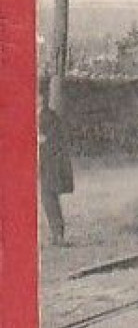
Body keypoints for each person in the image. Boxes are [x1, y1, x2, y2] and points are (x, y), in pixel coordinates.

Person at [37, 77, 73, 247]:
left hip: (50, 164)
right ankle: (56, 233)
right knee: (46, 198)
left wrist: (40, 141)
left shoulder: (49, 117)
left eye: (38, 97)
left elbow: (53, 142)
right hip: (41, 163)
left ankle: (58, 234)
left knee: (49, 196)